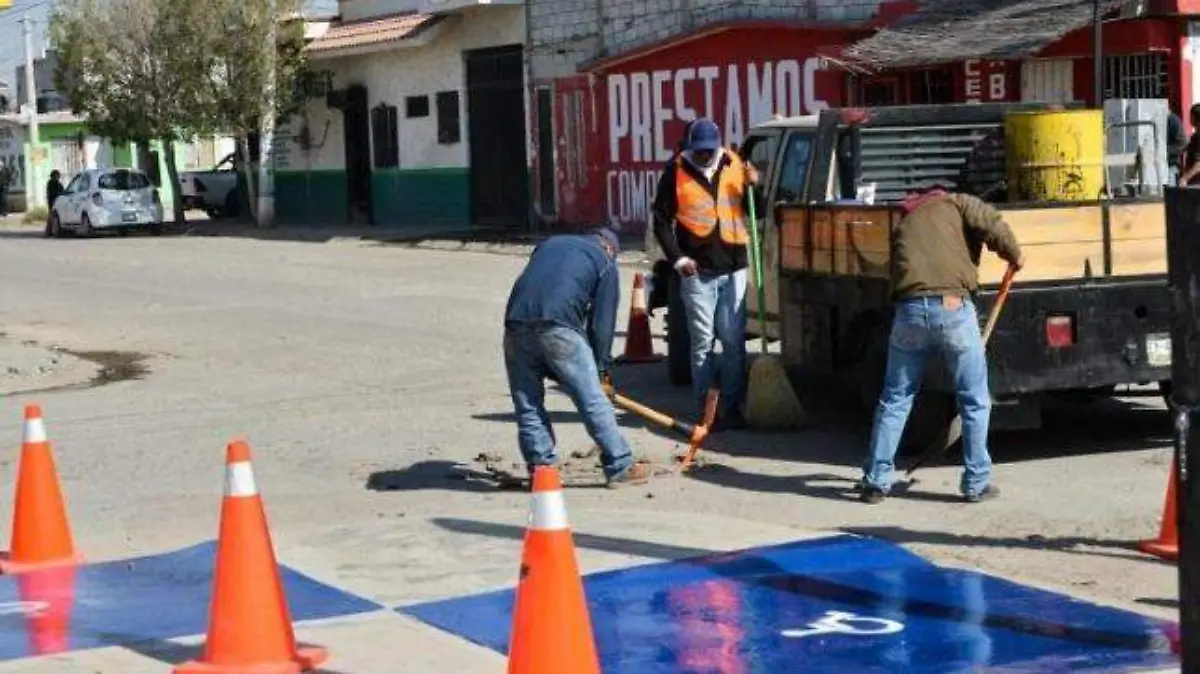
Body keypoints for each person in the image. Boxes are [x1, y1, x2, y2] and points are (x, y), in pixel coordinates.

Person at [859, 186, 1024, 505]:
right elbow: (991, 222)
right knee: (974, 400)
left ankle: (875, 482)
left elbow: (895, 272)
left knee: (895, 397)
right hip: (952, 307)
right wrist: (1014, 255)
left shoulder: (905, 222)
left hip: (908, 311)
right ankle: (976, 483)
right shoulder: (959, 203)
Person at [503, 225, 652, 488]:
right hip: (559, 326)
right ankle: (620, 464)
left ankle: (541, 470)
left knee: (527, 401)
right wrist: (601, 370)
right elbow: (601, 325)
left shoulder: (550, 243)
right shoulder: (604, 261)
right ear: (610, 248)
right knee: (592, 399)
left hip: (515, 324)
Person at [651, 118, 761, 430]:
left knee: (733, 341)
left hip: (734, 265)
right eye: (698, 151)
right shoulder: (675, 171)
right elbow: (661, 220)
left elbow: (758, 210)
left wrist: (756, 185)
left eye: (708, 151)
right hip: (697, 272)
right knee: (702, 341)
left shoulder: (735, 164)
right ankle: (705, 410)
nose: (703, 156)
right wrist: (677, 259)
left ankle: (732, 405)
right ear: (689, 148)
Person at [1179, 105, 1200, 187]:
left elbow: (1198, 164)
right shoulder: (1195, 136)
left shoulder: (1198, 137)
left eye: (1190, 116)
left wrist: (1185, 178)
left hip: (1196, 183)